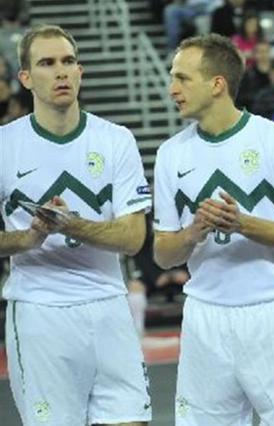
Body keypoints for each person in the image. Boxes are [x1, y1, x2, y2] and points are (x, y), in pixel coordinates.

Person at [154, 33, 274, 425]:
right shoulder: (170, 155)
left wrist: (242, 223)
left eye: (182, 78)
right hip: (205, 315)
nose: (172, 88)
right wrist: (193, 232)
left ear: (217, 84)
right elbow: (163, 254)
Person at [0, 24, 152, 425]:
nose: (61, 71)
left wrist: (71, 225)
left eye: (68, 61)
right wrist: (29, 237)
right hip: (39, 312)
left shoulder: (116, 140)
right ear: (26, 78)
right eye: (47, 63)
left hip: (109, 308)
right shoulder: (5, 146)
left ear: (81, 71)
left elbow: (134, 237)